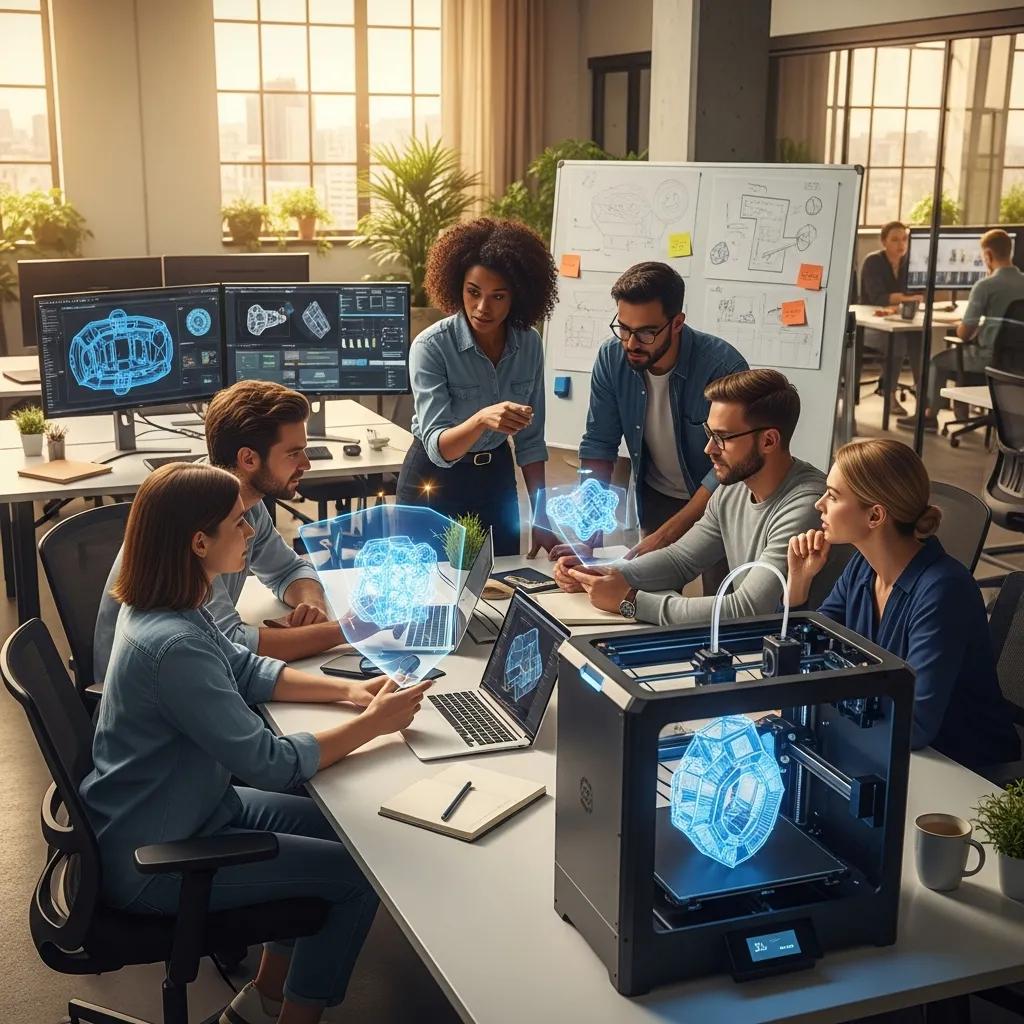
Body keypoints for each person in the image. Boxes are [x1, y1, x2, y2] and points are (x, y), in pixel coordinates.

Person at [80, 463, 431, 1024]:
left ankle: (261, 1001)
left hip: (188, 808)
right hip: (157, 858)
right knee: (359, 875)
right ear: (200, 541)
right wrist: (376, 723)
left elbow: (245, 669)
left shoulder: (171, 605)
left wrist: (353, 693)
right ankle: (295, 1017)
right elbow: (270, 764)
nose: (251, 532)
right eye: (239, 523)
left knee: (354, 829)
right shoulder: (172, 647)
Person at [786, 438, 1020, 770]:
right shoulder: (863, 567)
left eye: (834, 496)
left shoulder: (943, 591)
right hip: (886, 750)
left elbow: (915, 725)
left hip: (962, 769)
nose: (819, 505)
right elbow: (801, 654)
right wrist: (799, 582)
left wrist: (832, 686)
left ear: (875, 515)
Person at [95, 380, 346, 681]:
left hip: (197, 678)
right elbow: (230, 645)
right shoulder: (195, 519)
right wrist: (347, 631)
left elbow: (288, 570)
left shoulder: (243, 501)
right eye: (294, 453)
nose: (306, 463)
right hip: (160, 695)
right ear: (248, 459)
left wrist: (312, 607)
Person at [559, 369, 847, 625]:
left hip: (805, 658)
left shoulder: (808, 504)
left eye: (722, 437)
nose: (709, 448)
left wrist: (631, 601)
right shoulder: (733, 486)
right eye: (709, 433)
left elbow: (749, 608)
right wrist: (601, 572)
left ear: (769, 440)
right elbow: (680, 560)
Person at [396, 217, 558, 556]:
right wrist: (482, 419)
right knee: (429, 591)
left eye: (498, 296)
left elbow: (530, 441)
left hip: (495, 478)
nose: (483, 308)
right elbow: (440, 449)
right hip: (434, 482)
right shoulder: (431, 347)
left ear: (518, 296)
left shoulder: (529, 344)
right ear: (457, 286)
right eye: (474, 292)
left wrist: (541, 517)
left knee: (502, 581)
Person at [574, 261, 748, 560]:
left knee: (722, 597)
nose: (631, 343)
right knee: (645, 590)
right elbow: (599, 444)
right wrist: (587, 538)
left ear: (677, 323)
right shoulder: (611, 358)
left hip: (721, 497)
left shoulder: (724, 367)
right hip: (656, 494)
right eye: (624, 329)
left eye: (646, 333)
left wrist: (667, 535)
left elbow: (730, 465)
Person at [899, 228, 1024, 433]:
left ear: (988, 255)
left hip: (989, 359)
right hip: (1017, 363)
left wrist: (963, 325)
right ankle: (961, 412)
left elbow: (964, 333)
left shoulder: (986, 286)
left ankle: (929, 416)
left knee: (937, 362)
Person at [859, 220, 923, 416]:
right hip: (870, 325)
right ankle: (890, 394)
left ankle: (923, 398)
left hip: (900, 323)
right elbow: (879, 298)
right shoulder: (874, 262)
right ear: (883, 241)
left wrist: (903, 299)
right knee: (899, 340)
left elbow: (920, 294)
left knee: (919, 338)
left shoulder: (910, 263)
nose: (901, 244)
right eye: (895, 240)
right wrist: (908, 299)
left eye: (904, 239)